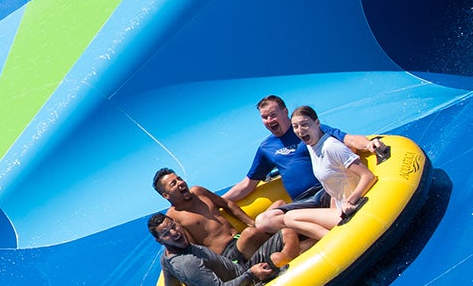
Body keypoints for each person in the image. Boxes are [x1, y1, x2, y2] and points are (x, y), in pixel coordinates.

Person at [222, 95, 381, 232]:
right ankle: (318, 235)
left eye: (273, 115)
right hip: (302, 202)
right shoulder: (266, 148)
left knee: (292, 218)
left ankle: (329, 233)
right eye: (265, 117)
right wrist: (217, 202)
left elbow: (348, 139)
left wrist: (369, 144)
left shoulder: (308, 130)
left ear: (285, 112)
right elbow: (248, 184)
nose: (269, 120)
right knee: (264, 221)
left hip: (325, 191)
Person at [152, 167, 300, 268]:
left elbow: (226, 204)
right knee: (250, 234)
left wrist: (250, 222)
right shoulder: (173, 218)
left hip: (240, 237)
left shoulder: (199, 192)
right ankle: (281, 259)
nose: (181, 183)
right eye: (174, 183)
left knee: (279, 206)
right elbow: (191, 248)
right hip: (228, 256)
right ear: (166, 195)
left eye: (179, 178)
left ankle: (285, 258)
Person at [281, 105, 378, 243]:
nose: (300, 130)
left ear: (317, 123)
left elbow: (368, 176)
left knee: (290, 218)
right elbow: (334, 189)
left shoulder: (331, 146)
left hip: (354, 208)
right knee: (301, 242)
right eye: (295, 126)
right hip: (340, 208)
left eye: (304, 124)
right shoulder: (312, 146)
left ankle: (336, 242)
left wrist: (351, 201)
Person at [148, 212, 275, 286]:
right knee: (287, 235)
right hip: (246, 281)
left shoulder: (166, 258)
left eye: (173, 226)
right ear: (159, 241)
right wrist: (251, 274)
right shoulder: (188, 263)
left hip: (239, 267)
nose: (174, 232)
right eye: (166, 233)